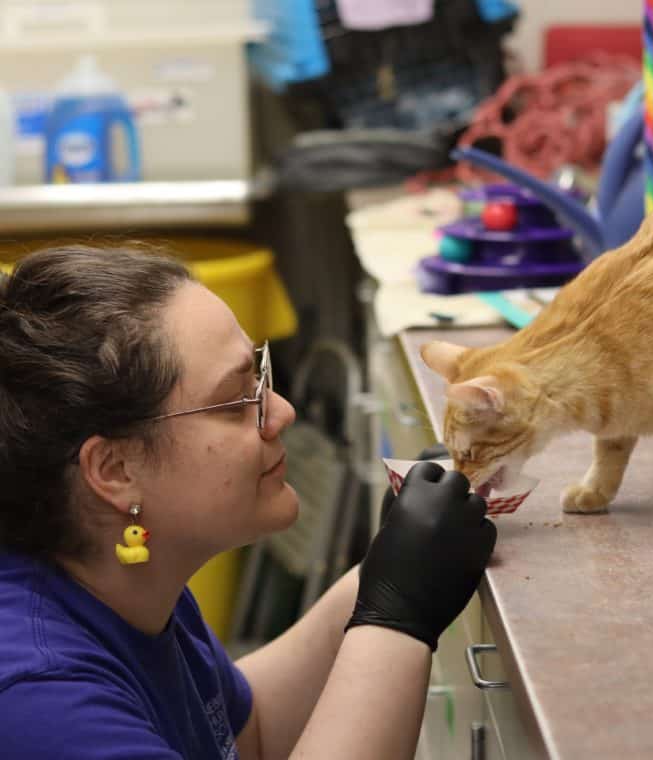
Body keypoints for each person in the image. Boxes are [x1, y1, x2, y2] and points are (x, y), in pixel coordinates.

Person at [0, 244, 496, 760]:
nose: (281, 412)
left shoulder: (122, 580)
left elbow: (245, 735)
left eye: (260, 377)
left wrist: (394, 568)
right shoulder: (40, 701)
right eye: (238, 401)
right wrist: (397, 619)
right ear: (116, 471)